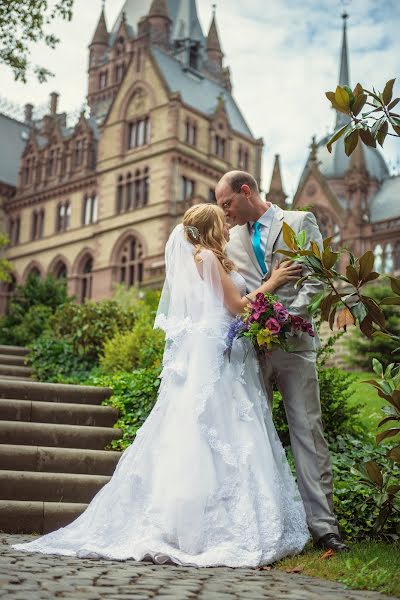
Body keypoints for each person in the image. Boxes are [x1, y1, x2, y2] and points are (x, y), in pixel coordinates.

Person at [12, 204, 310, 568]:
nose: (229, 228)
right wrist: (273, 283)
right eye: (223, 223)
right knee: (218, 431)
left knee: (204, 433)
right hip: (217, 355)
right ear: (210, 228)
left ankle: (185, 519)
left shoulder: (201, 258)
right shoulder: (208, 259)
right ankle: (207, 524)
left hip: (217, 351)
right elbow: (236, 307)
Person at [215, 170, 349, 553]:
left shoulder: (299, 221)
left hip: (294, 346)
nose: (225, 214)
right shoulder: (232, 239)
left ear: (246, 192)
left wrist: (287, 318)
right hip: (252, 352)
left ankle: (325, 528)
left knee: (308, 433)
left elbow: (318, 278)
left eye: (228, 204)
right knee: (253, 436)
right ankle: (261, 524)